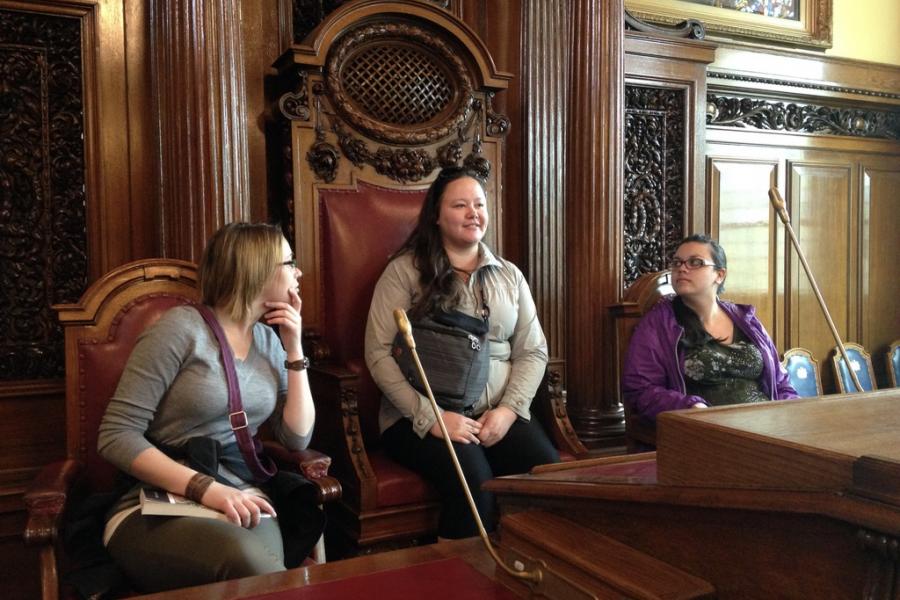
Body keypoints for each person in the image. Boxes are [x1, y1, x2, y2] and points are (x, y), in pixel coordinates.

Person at [97, 222, 324, 593]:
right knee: (252, 567)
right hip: (158, 503)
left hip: (243, 494)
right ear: (257, 269)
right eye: (289, 262)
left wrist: (295, 350)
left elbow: (297, 437)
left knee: (270, 578)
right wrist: (207, 489)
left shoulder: (269, 341)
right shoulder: (179, 330)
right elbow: (115, 435)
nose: (298, 272)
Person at [364, 166, 559, 540]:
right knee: (474, 486)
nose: (473, 213)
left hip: (497, 414)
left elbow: (533, 351)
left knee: (547, 472)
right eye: (460, 205)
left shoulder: (509, 275)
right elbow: (377, 353)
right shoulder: (404, 272)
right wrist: (431, 417)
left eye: (479, 204)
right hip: (419, 417)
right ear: (436, 215)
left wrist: (508, 411)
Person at [622, 234, 798, 422]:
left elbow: (781, 383)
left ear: (720, 275)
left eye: (695, 262)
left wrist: (793, 413)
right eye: (677, 262)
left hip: (765, 425)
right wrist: (689, 407)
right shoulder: (659, 322)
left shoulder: (746, 320)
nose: (682, 268)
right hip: (705, 431)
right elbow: (640, 389)